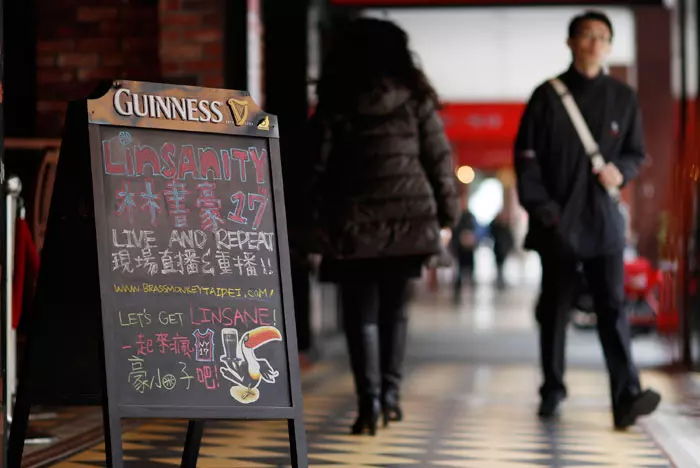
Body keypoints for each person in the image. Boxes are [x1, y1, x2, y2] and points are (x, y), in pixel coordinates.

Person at [303, 18, 459, 435]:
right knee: (395, 310)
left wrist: (309, 222)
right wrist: (447, 217)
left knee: (360, 315)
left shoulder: (335, 100)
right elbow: (439, 161)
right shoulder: (415, 99)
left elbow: (313, 166)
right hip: (409, 219)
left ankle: (368, 401)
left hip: (352, 221)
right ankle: (391, 395)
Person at [513, 10, 660, 429]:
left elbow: (634, 153)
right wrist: (546, 212)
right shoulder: (546, 97)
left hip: (604, 221)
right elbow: (526, 162)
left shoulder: (623, 97)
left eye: (602, 36)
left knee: (613, 308)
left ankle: (626, 396)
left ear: (610, 46)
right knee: (555, 310)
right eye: (587, 35)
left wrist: (623, 171)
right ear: (571, 42)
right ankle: (552, 390)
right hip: (557, 223)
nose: (595, 43)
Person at [451, 209, 479, 298]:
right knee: (459, 269)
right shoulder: (456, 215)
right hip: (459, 247)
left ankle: (470, 284)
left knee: (469, 268)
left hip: (469, 249)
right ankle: (458, 287)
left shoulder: (470, 216)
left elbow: (475, 230)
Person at [489, 210, 514, 289]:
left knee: (503, 266)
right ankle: (499, 281)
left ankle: (501, 281)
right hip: (498, 249)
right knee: (498, 266)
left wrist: (509, 247)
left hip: (504, 249)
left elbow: (510, 238)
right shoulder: (496, 227)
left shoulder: (506, 227)